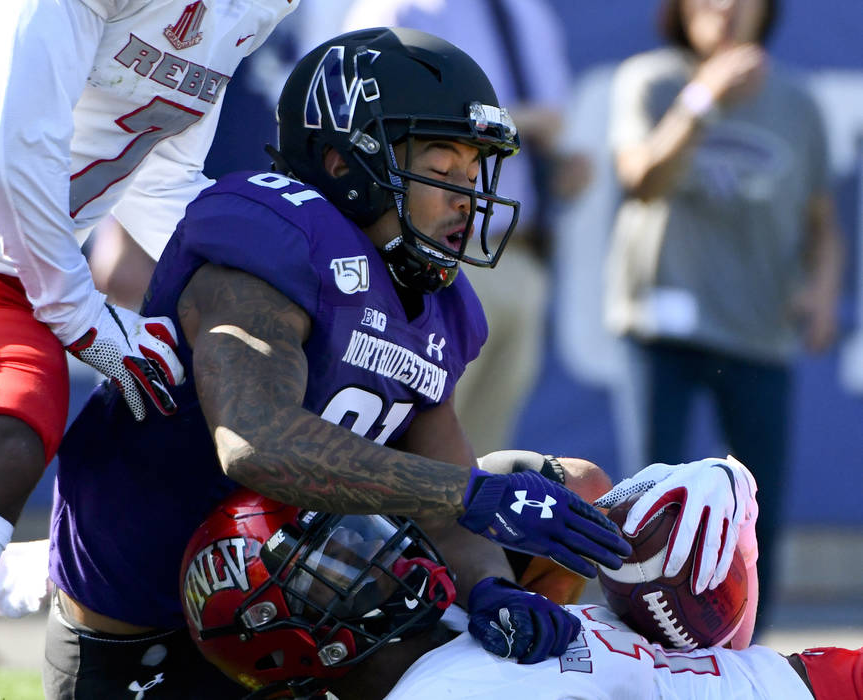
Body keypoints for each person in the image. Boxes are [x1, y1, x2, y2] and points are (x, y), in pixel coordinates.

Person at [44, 27, 630, 698]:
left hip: (278, 577)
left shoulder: (436, 299)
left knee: (572, 491)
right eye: (441, 173)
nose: (466, 198)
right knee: (323, 537)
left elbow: (442, 487)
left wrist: (493, 586)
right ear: (343, 164)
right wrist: (474, 496)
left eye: (474, 174)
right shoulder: (269, 245)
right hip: (142, 628)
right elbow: (254, 443)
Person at [0, 1, 299, 697]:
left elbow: (159, 175)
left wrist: (267, 295)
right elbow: (7, 143)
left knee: (4, 445)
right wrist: (84, 317)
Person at [184, 457, 862, 700]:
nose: (371, 548)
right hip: (793, 684)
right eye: (329, 569)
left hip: (800, 676)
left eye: (347, 532)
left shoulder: (458, 612)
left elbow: (576, 477)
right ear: (292, 641)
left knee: (694, 501)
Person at [603, 0, 845, 631]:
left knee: (756, 514)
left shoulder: (798, 102)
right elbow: (641, 179)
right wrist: (702, 98)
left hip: (758, 332)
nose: (727, 7)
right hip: (662, 327)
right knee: (648, 507)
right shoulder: (652, 79)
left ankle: (743, 650)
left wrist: (822, 289)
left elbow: (823, 223)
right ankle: (642, 643)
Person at [343, 0, 592, 455]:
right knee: (410, 443)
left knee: (478, 459)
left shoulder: (527, 13)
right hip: (435, 258)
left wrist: (559, 167)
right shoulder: (403, 9)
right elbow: (366, 123)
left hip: (521, 253)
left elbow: (552, 130)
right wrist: (517, 124)